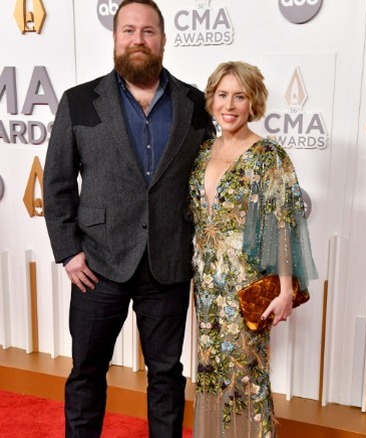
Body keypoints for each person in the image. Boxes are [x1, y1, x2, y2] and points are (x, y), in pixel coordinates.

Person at [42, 0, 215, 436]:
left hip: (168, 263)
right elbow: (58, 183)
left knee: (166, 375)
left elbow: (209, 181)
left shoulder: (196, 104)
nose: (139, 39)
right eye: (129, 31)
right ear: (116, 38)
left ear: (162, 39)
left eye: (148, 31)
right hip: (97, 265)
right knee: (86, 372)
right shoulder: (79, 102)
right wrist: (69, 253)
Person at [189, 61, 318, 437]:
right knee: (211, 373)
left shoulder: (268, 157)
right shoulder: (201, 152)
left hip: (247, 287)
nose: (229, 105)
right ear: (212, 99)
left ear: (252, 103)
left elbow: (284, 224)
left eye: (239, 96)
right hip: (207, 285)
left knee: (247, 375)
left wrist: (284, 290)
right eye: (222, 95)